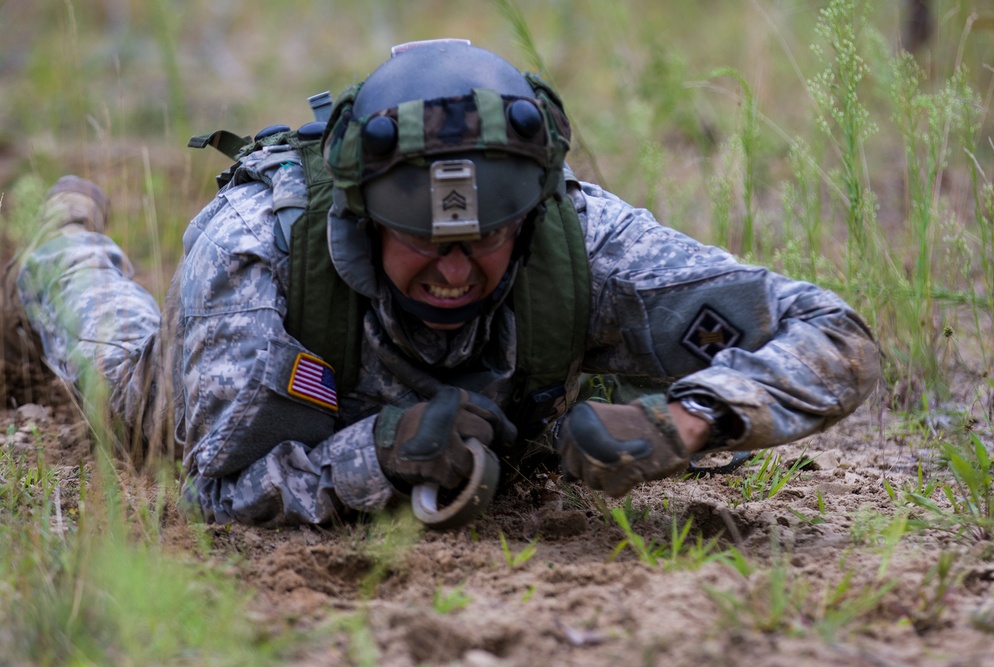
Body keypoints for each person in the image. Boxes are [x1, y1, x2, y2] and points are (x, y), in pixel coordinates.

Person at [1, 40, 879, 526]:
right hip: (267, 379)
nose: (455, 267)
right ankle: (60, 238)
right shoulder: (252, 257)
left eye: (487, 236)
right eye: (421, 239)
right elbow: (218, 488)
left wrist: (684, 421)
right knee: (118, 391)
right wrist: (374, 453)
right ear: (362, 215)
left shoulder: (579, 233)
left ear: (529, 214)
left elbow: (834, 334)